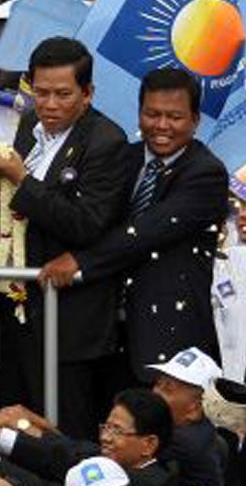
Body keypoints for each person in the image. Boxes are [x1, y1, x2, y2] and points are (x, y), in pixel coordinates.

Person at [0, 37, 131, 441]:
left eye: (63, 94)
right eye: (41, 93)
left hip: (71, 319)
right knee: (16, 425)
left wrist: (20, 180)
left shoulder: (107, 142)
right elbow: (15, 210)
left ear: (88, 93)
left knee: (65, 432)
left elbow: (86, 224)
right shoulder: (27, 129)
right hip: (21, 306)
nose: (50, 104)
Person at [40, 68, 226, 378]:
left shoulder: (206, 173)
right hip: (105, 332)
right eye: (152, 114)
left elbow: (147, 232)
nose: (162, 126)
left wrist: (79, 262)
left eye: (174, 116)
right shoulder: (121, 158)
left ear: (195, 120)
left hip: (167, 338)